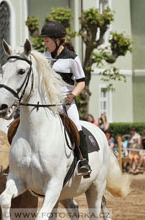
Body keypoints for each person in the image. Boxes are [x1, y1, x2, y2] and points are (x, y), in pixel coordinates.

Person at [40, 21, 91, 176]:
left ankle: (84, 161)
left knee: (76, 125)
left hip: (65, 101)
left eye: (47, 40)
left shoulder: (71, 58)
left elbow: (81, 82)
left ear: (57, 40)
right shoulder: (44, 57)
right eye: (44, 41)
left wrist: (72, 95)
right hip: (47, 102)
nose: (45, 43)